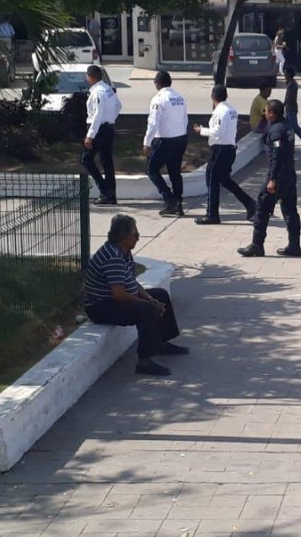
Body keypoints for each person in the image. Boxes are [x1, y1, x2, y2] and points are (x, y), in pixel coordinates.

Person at [84, 215, 187, 376]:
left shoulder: (124, 251)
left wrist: (151, 299)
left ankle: (162, 342)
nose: (138, 238)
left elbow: (131, 282)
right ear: (123, 237)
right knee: (146, 310)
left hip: (115, 299)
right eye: (135, 234)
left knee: (160, 295)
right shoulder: (113, 257)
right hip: (101, 306)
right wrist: (147, 304)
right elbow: (118, 294)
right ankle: (144, 361)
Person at [239, 100, 301, 257]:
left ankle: (257, 245)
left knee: (261, 209)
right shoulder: (287, 127)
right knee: (290, 211)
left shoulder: (276, 132)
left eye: (266, 111)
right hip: (289, 175)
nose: (264, 114)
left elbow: (276, 156)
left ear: (272, 113)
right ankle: (294, 246)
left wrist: (272, 179)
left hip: (278, 176)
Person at [193, 85, 256, 225]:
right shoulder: (232, 109)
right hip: (229, 149)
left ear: (213, 97)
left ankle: (212, 214)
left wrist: (202, 130)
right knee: (225, 180)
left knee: (211, 180)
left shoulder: (220, 111)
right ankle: (250, 204)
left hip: (220, 150)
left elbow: (218, 132)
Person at [143, 70, 189, 217]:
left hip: (164, 140)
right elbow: (185, 119)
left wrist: (147, 142)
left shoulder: (158, 99)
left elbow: (153, 122)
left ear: (157, 83)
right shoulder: (180, 97)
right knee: (175, 173)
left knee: (151, 170)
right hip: (180, 139)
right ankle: (178, 204)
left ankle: (170, 199)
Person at [80, 64, 121, 205]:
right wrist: (111, 119)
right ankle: (111, 195)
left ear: (90, 77)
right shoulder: (108, 89)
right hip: (107, 128)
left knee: (86, 160)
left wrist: (90, 135)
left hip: (98, 130)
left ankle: (105, 191)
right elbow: (118, 106)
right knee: (107, 162)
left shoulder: (97, 92)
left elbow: (97, 115)